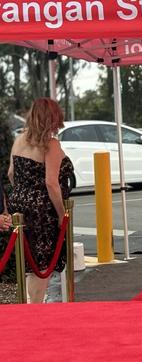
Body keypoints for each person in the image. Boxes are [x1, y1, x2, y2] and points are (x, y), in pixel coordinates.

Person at [6, 98, 74, 303]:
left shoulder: (19, 139)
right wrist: (63, 214)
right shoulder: (50, 145)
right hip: (42, 211)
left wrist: (23, 193)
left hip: (18, 204)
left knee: (29, 262)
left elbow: (11, 173)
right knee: (42, 263)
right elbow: (51, 183)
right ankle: (35, 308)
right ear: (52, 118)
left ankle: (31, 302)